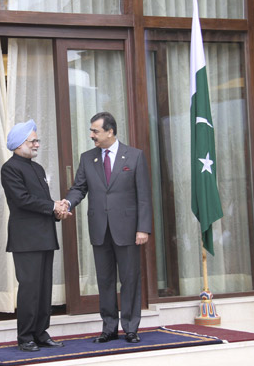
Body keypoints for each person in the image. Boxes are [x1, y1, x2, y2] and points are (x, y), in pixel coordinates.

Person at [64, 111, 152, 344]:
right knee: (105, 280)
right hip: (100, 230)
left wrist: (143, 228)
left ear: (110, 132)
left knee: (130, 278)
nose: (91, 135)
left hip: (128, 230)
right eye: (91, 130)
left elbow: (143, 196)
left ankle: (131, 327)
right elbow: (79, 188)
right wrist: (67, 202)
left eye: (95, 131)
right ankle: (109, 328)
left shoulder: (134, 156)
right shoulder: (87, 158)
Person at [0, 119, 69, 352]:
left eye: (37, 140)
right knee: (29, 288)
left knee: (44, 288)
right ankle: (26, 336)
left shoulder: (37, 169)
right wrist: (53, 206)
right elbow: (22, 200)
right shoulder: (10, 168)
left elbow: (42, 203)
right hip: (26, 239)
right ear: (19, 144)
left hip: (45, 235)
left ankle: (41, 332)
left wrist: (57, 211)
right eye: (33, 141)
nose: (37, 144)